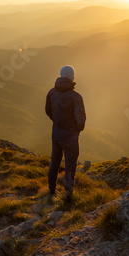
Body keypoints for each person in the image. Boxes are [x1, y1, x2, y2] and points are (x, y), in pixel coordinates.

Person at [45, 65, 86, 203]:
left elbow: (48, 111)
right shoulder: (75, 97)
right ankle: (68, 196)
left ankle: (51, 191)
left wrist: (57, 122)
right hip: (70, 137)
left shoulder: (51, 93)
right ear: (72, 77)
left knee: (54, 162)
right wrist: (76, 129)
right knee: (70, 166)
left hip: (56, 134)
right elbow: (80, 119)